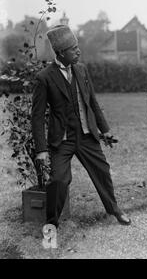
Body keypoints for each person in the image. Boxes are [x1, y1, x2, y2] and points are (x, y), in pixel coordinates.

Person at [32, 25, 131, 235]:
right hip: (63, 140)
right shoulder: (44, 77)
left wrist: (105, 130)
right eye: (73, 49)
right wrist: (41, 150)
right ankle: (51, 224)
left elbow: (92, 102)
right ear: (60, 53)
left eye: (77, 47)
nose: (78, 51)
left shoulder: (81, 70)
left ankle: (115, 210)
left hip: (86, 135)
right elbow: (38, 116)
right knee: (58, 180)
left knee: (102, 170)